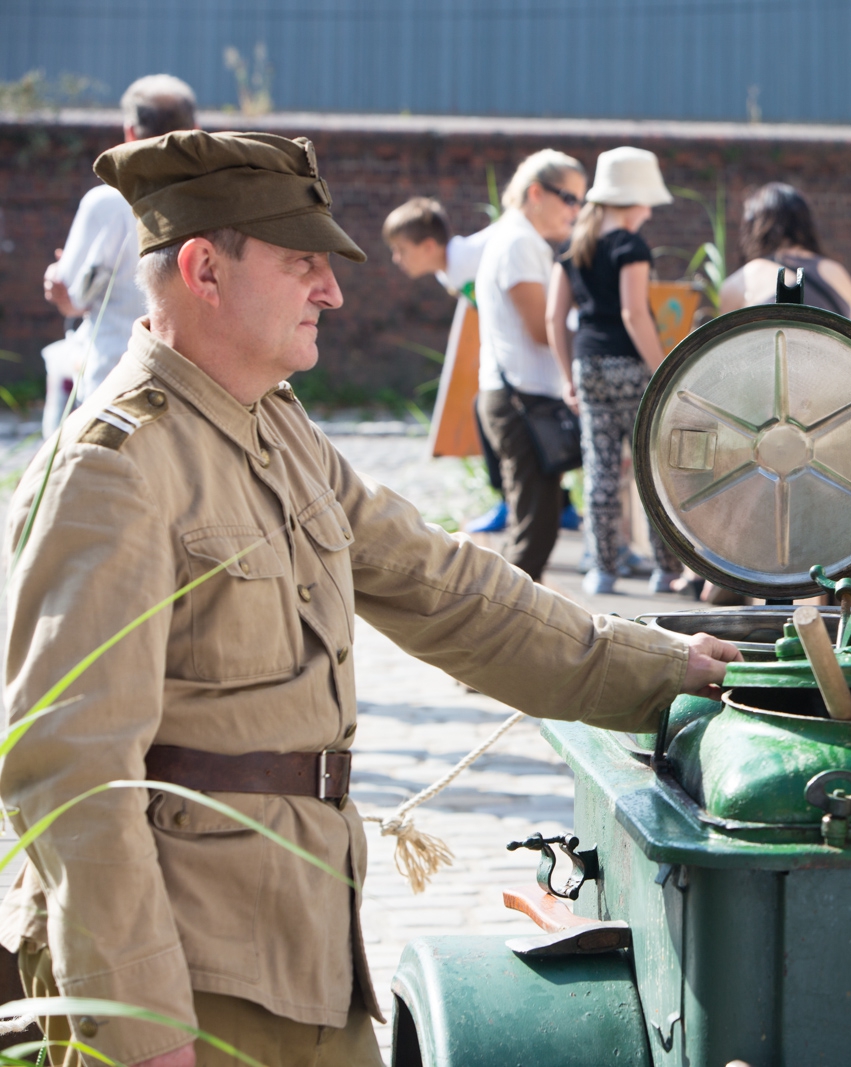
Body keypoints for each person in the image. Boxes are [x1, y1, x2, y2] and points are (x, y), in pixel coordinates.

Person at [0, 130, 740, 1067]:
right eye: (302, 262)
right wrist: (142, 1029)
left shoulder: (276, 429)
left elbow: (449, 589)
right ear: (203, 269)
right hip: (184, 987)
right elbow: (70, 776)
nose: (334, 290)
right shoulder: (115, 467)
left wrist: (664, 666)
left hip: (299, 956)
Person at [548, 146, 683, 597]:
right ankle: (665, 570)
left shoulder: (572, 247)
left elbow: (554, 318)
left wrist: (568, 375)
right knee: (649, 470)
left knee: (600, 471)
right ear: (638, 200)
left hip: (587, 364)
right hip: (630, 365)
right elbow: (633, 313)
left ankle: (601, 569)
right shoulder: (631, 246)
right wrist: (662, 368)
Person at [40, 74, 197, 431]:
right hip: (196, 379)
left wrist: (60, 284)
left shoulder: (109, 202)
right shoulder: (217, 197)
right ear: (195, 129)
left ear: (129, 131)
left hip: (114, 375)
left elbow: (73, 298)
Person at [474, 150, 588, 582]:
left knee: (535, 525)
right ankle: (499, 623)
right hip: (519, 399)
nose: (576, 211)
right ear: (535, 193)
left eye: (580, 201)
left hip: (521, 396)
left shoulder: (520, 240)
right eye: (569, 198)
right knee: (533, 530)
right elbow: (543, 328)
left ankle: (501, 618)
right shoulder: (519, 242)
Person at [382, 196, 510, 534]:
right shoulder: (446, 272)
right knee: (489, 414)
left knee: (497, 416)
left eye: (401, 249)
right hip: (506, 355)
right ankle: (525, 501)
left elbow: (509, 231)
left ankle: (522, 503)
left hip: (525, 355)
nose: (397, 259)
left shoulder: (467, 255)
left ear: (427, 246)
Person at [718, 182, 851, 323]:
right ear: (806, 223)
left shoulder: (743, 279)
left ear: (752, 225)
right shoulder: (835, 272)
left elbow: (725, 344)